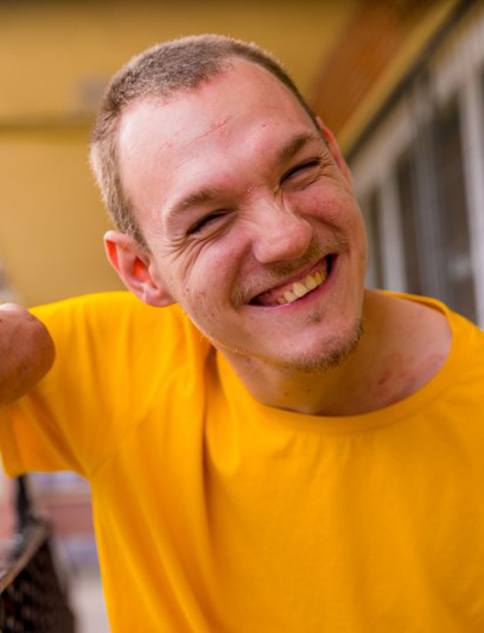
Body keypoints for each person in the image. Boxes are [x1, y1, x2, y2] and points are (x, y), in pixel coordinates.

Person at [1, 34, 484, 632]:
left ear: (336, 157)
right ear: (142, 271)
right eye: (208, 219)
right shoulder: (115, 362)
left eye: (301, 168)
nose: (287, 238)